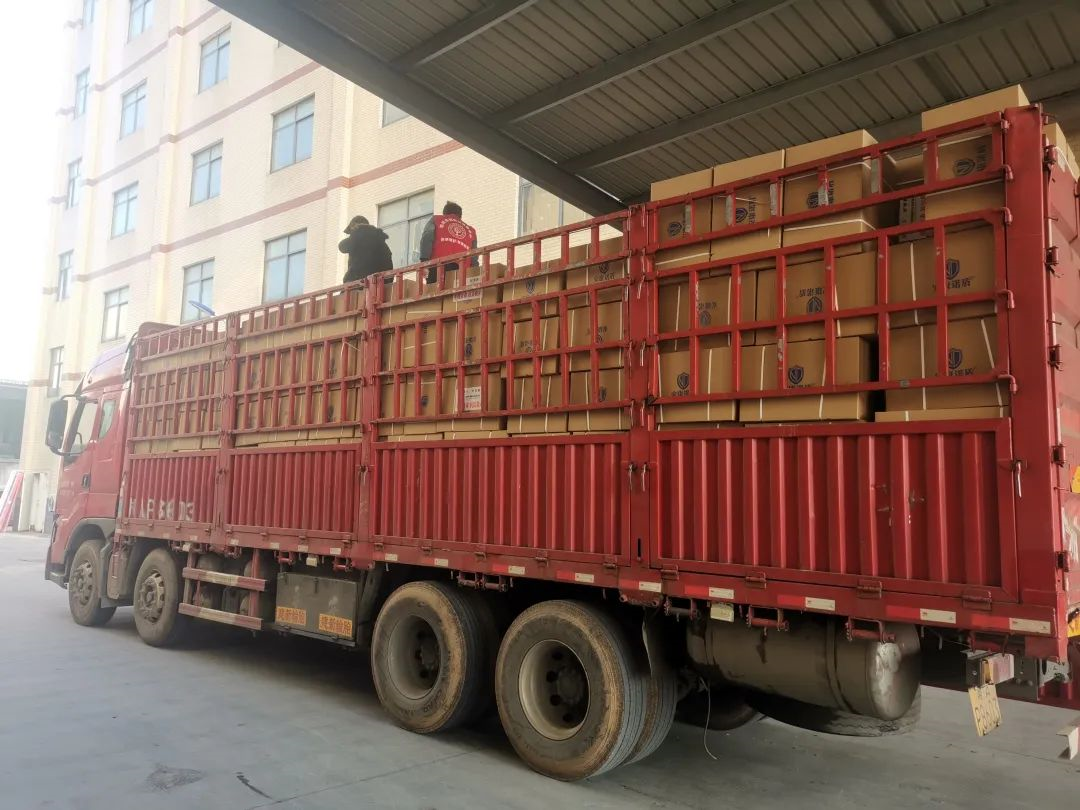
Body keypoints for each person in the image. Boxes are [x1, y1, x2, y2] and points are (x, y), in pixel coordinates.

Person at [418, 201, 477, 283]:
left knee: (435, 289)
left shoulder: (436, 219)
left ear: (444, 213)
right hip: (462, 272)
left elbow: (427, 237)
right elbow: (474, 256)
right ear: (460, 216)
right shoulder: (471, 231)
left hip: (438, 266)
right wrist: (474, 273)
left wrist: (424, 261)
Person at [338, 215, 394, 283]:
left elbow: (342, 247)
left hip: (359, 282)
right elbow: (388, 263)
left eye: (352, 230)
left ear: (355, 226)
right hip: (381, 282)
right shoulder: (380, 240)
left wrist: (355, 234)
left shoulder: (357, 236)